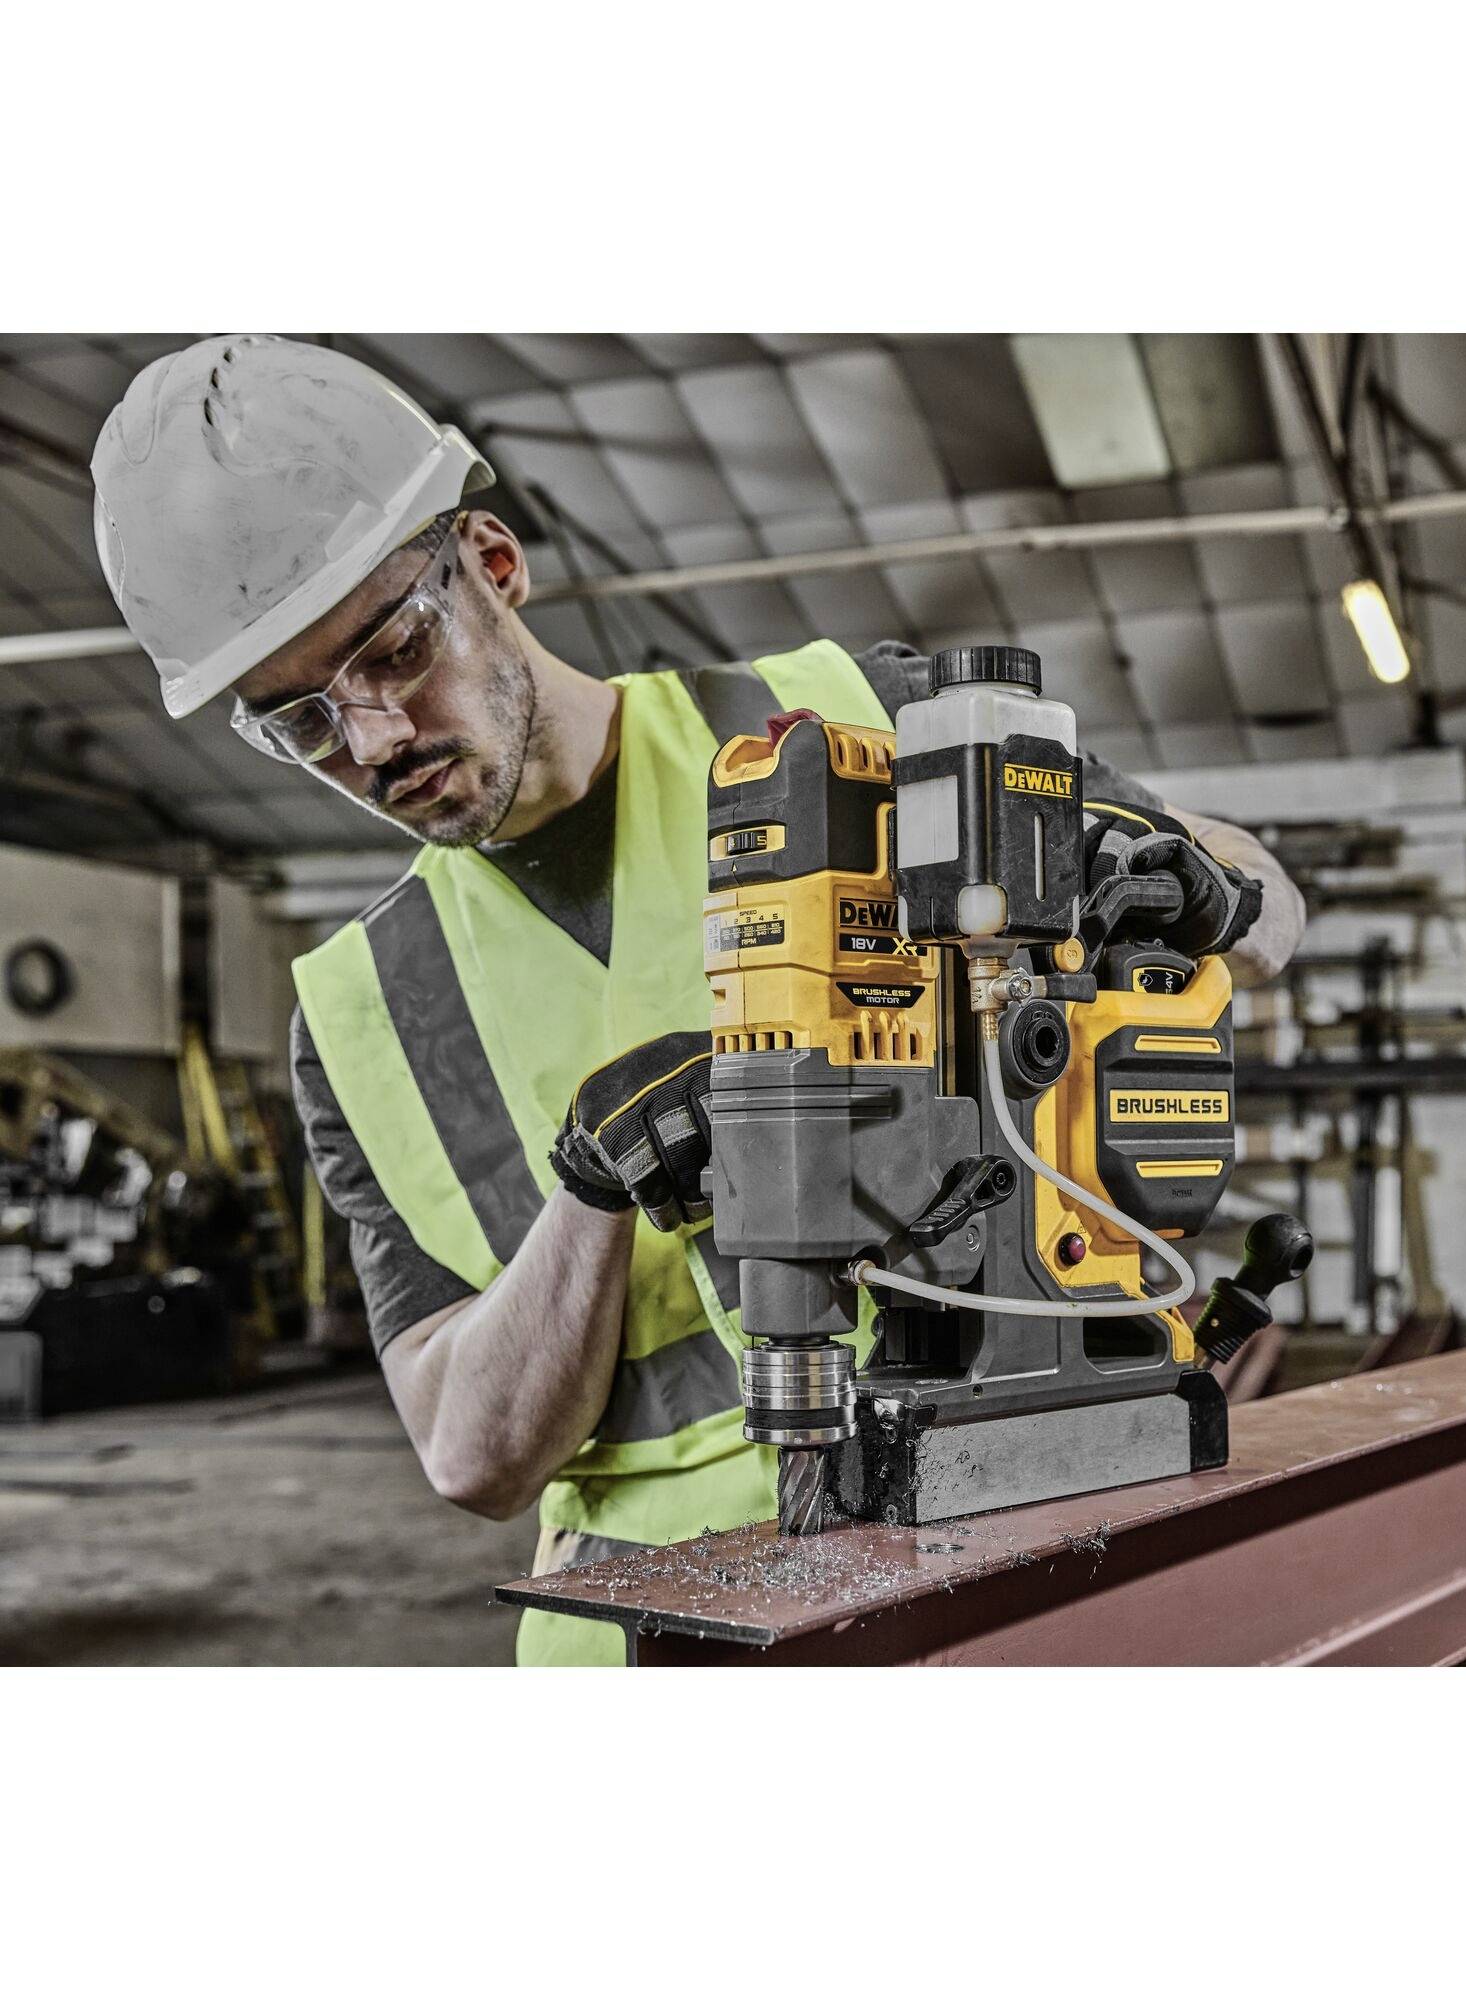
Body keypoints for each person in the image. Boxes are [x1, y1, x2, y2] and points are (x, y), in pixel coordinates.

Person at [91, 334, 1307, 1664]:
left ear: (494, 568)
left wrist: (1192, 892)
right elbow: (468, 1457)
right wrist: (590, 1197)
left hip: (1022, 1525)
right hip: (656, 1636)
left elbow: (1270, 905)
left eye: (394, 650)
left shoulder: (853, 720)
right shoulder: (361, 1017)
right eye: (301, 724)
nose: (373, 740)